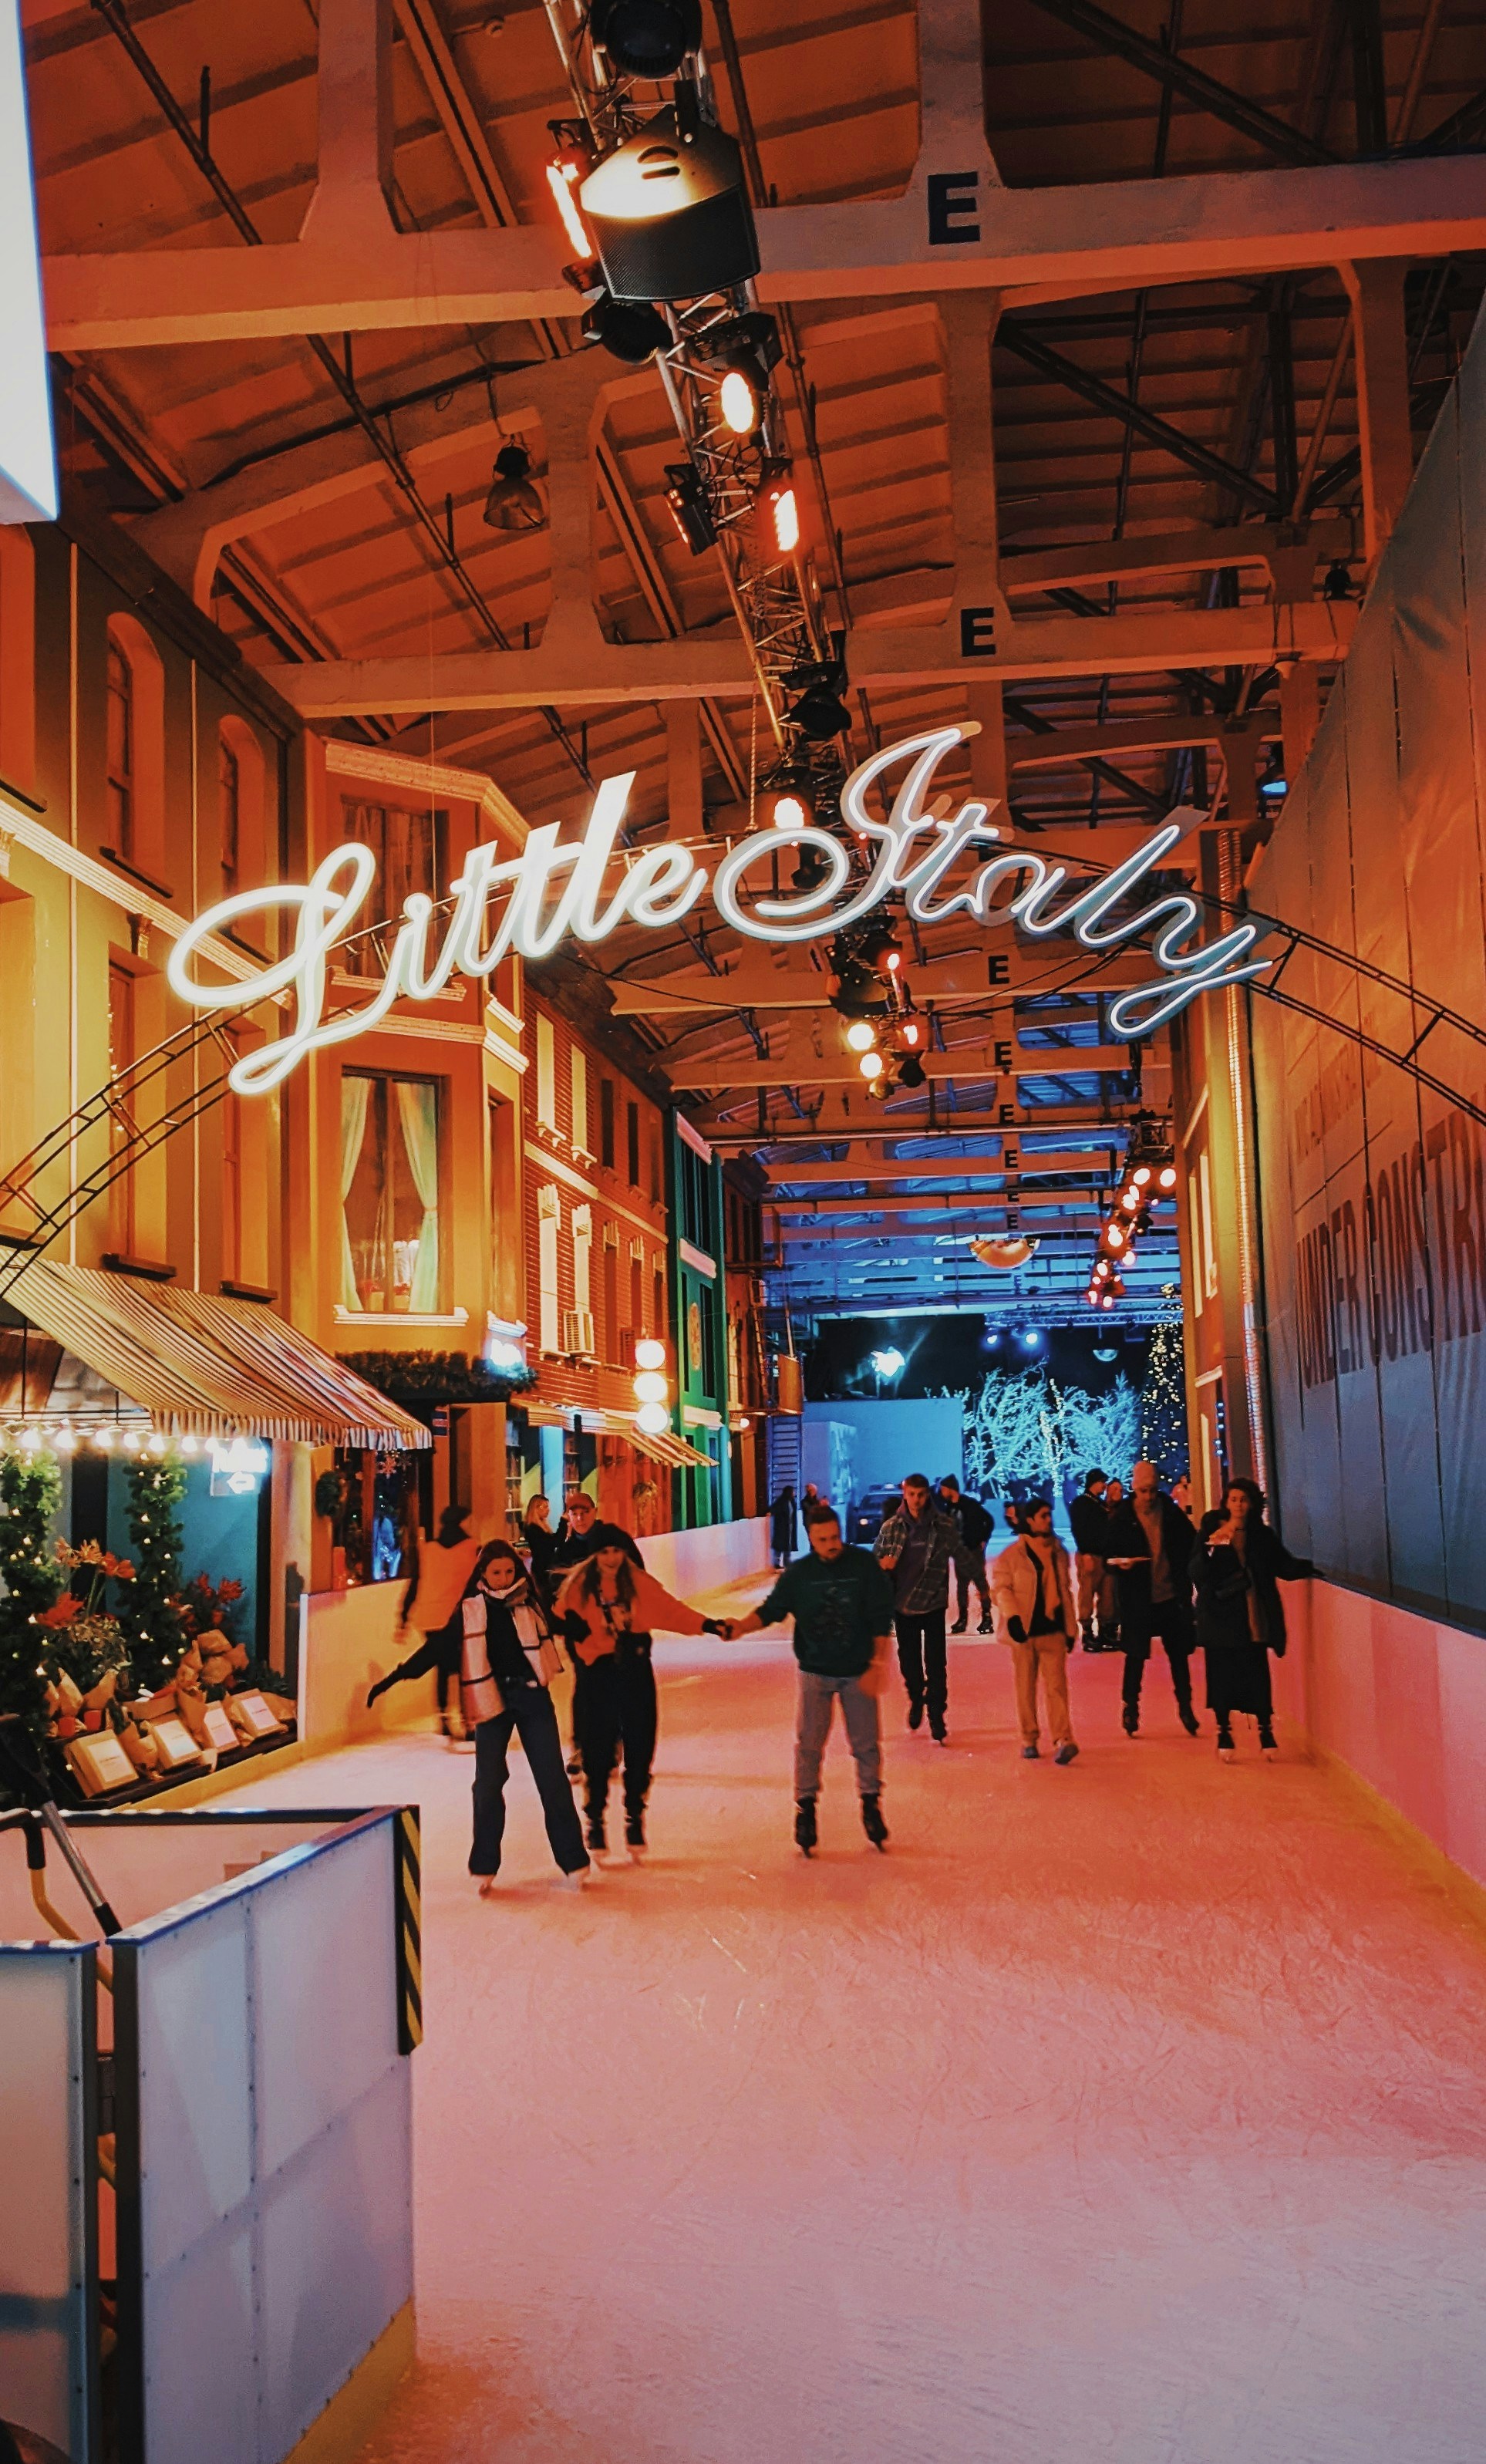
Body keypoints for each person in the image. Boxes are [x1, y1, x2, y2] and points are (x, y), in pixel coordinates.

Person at [723, 1507, 894, 1856]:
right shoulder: (799, 1575)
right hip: (815, 1672)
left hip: (857, 1669)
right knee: (809, 1745)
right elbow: (772, 1610)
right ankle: (805, 1810)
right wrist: (741, 1626)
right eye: (822, 1540)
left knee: (866, 1744)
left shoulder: (863, 1567)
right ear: (810, 1539)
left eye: (834, 1537)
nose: (831, 1545)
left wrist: (878, 1662)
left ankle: (871, 1804)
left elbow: (880, 1617)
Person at [556, 1545, 726, 1860]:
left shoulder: (639, 1585)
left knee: (640, 1744)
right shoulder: (580, 1588)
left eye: (616, 1552)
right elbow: (554, 1617)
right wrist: (575, 1634)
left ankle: (635, 1815)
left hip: (634, 1670)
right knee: (597, 1750)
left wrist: (709, 1625)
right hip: (598, 1677)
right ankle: (595, 1819)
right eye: (604, 1551)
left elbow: (672, 1611)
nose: (610, 1558)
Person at [460, 1541, 591, 1894]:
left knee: (551, 1778)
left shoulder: (530, 1605)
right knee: (487, 1783)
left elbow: (562, 1625)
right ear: (483, 1574)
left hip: (532, 1697)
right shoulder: (470, 1610)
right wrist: (398, 1675)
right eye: (496, 1572)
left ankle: (573, 1858)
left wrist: (589, 1631)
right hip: (492, 1701)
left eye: (509, 1571)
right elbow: (440, 1648)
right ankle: (484, 1863)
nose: (503, 1579)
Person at [1192, 1478, 1312, 1760]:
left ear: (1252, 1504)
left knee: (1257, 1673)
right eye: (1233, 1500)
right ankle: (1224, 1732)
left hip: (1253, 1616)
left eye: (1243, 1500)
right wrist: (1214, 1544)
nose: (1238, 1505)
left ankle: (1265, 1730)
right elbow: (1196, 1570)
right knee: (1221, 1674)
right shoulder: (1212, 1529)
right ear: (1226, 1503)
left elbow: (1282, 1564)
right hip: (1220, 1616)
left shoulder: (1262, 1535)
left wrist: (1310, 1567)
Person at [366, 1503, 480, 1749]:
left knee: (442, 1664)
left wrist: (404, 1619)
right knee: (463, 1667)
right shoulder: (471, 1548)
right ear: (462, 1522)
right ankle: (467, 1722)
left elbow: (415, 1585)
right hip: (456, 1617)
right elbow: (476, 1585)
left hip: (430, 1617)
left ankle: (444, 1717)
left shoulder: (428, 1549)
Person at [874, 1471, 976, 1743]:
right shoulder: (892, 1528)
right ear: (904, 1495)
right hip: (903, 1606)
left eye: (921, 1495)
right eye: (911, 1495)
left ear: (927, 1495)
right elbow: (875, 1563)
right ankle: (917, 1697)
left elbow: (962, 1555)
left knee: (936, 1665)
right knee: (910, 1665)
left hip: (933, 1604)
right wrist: (883, 1567)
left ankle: (936, 1715)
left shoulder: (942, 1525)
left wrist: (983, 1583)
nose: (916, 1500)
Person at [1105, 1460, 1198, 1737]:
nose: (1148, 1496)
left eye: (1152, 1491)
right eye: (1143, 1491)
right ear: (1134, 1488)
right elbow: (1107, 1558)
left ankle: (1186, 1707)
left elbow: (1190, 1544)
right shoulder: (1122, 1518)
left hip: (1170, 1596)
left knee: (1179, 1656)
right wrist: (1119, 1565)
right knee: (1135, 1656)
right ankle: (1130, 1706)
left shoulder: (1169, 1514)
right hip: (1138, 1598)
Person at [990, 1498, 1079, 1765]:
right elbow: (1001, 1589)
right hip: (1025, 1633)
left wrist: (1071, 1627)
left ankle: (1064, 1739)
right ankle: (1029, 1737)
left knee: (1057, 1688)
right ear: (1029, 1520)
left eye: (1049, 1515)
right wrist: (1013, 1617)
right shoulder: (1013, 1556)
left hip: (1052, 1629)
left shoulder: (1059, 1552)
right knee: (1025, 1688)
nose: (1048, 1520)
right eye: (1043, 1516)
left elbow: (1065, 1592)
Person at [1068, 1469, 1118, 1653]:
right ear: (1093, 1483)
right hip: (1091, 1555)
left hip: (1104, 1556)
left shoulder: (1099, 1503)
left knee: (1107, 1596)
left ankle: (1104, 1631)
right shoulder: (1083, 1503)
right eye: (1101, 1482)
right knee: (1087, 1595)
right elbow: (1079, 1529)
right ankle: (1088, 1633)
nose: (1104, 1486)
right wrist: (1085, 1551)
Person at [937, 1475, 994, 1633]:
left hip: (973, 1551)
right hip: (959, 1552)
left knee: (980, 1583)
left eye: (943, 1489)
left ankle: (987, 1617)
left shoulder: (970, 1505)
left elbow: (988, 1520)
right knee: (962, 1586)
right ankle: (963, 1619)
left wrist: (983, 1539)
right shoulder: (948, 1508)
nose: (941, 1492)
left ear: (951, 1489)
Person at [770, 1483, 799, 1569]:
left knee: (788, 1545)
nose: (794, 1493)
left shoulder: (792, 1502)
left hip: (789, 1527)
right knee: (780, 1545)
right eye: (793, 1492)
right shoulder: (781, 1501)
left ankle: (787, 1562)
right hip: (781, 1528)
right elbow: (774, 1510)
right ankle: (777, 1563)